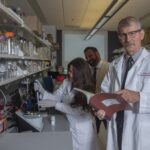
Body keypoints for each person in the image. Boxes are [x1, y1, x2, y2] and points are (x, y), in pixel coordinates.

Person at [96, 16, 150, 150]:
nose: (128, 39)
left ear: (141, 34)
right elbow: (105, 92)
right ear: (119, 37)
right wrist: (101, 107)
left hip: (141, 131)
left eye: (132, 33)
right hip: (117, 126)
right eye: (123, 35)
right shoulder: (114, 65)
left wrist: (138, 97)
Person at [34, 57, 100, 150]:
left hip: (82, 128)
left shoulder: (86, 88)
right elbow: (57, 96)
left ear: (80, 74)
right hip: (70, 123)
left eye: (73, 72)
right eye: (69, 71)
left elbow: (78, 110)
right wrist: (43, 92)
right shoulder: (67, 82)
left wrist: (55, 104)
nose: (70, 74)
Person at [84, 47, 109, 133]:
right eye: (86, 57)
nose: (88, 59)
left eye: (90, 56)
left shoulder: (109, 67)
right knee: (94, 131)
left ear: (97, 54)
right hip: (94, 106)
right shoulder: (89, 70)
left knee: (109, 130)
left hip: (106, 106)